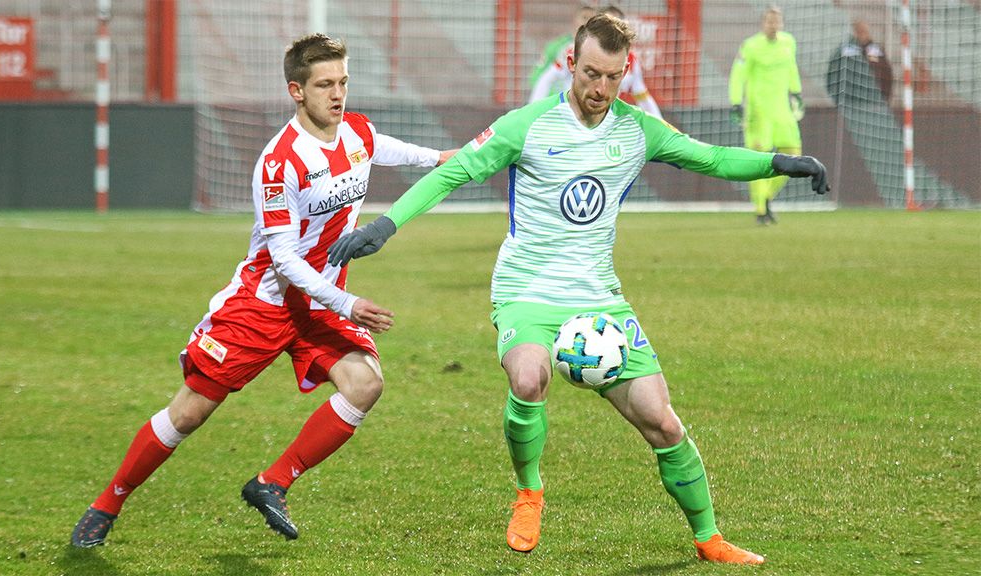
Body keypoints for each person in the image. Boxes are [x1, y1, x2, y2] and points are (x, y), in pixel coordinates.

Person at [328, 13, 827, 564]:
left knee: (661, 421)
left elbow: (710, 158)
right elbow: (455, 172)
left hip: (598, 297)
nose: (601, 88)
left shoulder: (636, 130)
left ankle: (709, 538)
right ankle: (530, 491)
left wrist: (783, 162)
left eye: (613, 77)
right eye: (591, 74)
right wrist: (383, 226)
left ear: (625, 72)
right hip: (526, 289)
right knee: (527, 375)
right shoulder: (527, 124)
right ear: (571, 64)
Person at [70, 33, 455, 547]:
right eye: (324, 85)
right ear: (296, 90)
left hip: (316, 305)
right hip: (264, 305)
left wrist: (438, 157)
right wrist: (348, 302)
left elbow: (380, 148)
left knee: (365, 386)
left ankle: (272, 482)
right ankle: (106, 505)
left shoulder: (356, 130)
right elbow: (285, 258)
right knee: (189, 413)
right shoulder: (279, 164)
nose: (337, 95)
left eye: (342, 82)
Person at [728, 6, 804, 225]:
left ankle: (766, 196)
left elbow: (792, 68)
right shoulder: (750, 46)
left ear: (781, 23)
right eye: (770, 21)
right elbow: (737, 75)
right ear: (763, 24)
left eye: (777, 21)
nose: (773, 25)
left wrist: (796, 91)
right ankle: (761, 210)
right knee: (759, 160)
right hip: (758, 112)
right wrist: (735, 102)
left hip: (782, 111)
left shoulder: (788, 42)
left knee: (793, 155)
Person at [529, 6, 662, 119]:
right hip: (572, 118)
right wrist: (532, 113)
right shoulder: (575, 51)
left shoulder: (631, 60)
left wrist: (662, 125)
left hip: (607, 122)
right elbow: (545, 79)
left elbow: (642, 96)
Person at [528, 3, 596, 100]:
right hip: (553, 100)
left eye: (591, 19)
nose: (587, 22)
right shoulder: (557, 46)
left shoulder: (597, 49)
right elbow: (537, 75)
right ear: (575, 20)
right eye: (584, 17)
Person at [826, 20, 894, 106]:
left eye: (864, 31)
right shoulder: (846, 50)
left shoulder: (874, 50)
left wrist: (885, 97)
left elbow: (885, 74)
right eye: (859, 31)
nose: (862, 34)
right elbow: (834, 71)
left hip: (872, 100)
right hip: (851, 99)